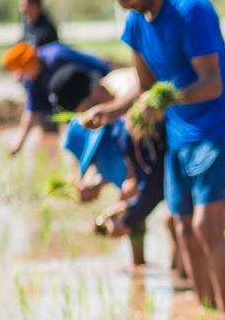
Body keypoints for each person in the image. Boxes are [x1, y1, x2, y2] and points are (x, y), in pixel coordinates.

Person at [94, 0, 225, 313]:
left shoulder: (191, 10)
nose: (127, 6)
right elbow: (145, 85)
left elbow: (212, 84)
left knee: (206, 228)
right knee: (181, 228)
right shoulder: (135, 24)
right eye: (120, 1)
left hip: (217, 128)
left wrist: (164, 102)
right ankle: (208, 316)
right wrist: (112, 110)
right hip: (180, 136)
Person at [49, 63, 168, 269]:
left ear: (92, 95)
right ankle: (139, 265)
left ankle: (180, 274)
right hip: (151, 154)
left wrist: (128, 217)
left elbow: (143, 175)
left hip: (173, 143)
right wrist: (96, 182)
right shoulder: (105, 105)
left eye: (86, 110)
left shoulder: (129, 95)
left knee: (176, 219)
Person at [1, 40, 110, 156]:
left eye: (22, 71)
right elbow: (32, 111)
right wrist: (18, 144)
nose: (20, 76)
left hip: (101, 90)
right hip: (78, 109)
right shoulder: (31, 79)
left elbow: (94, 76)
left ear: (30, 62)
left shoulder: (57, 57)